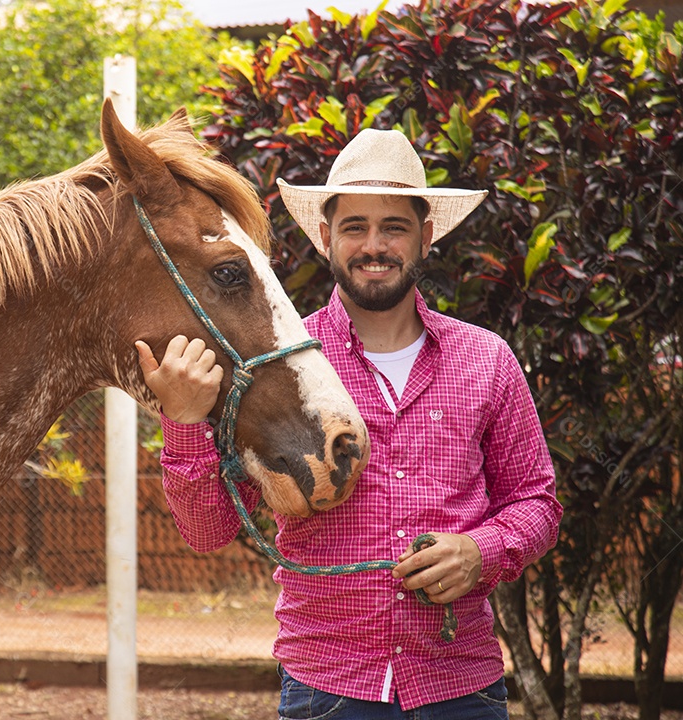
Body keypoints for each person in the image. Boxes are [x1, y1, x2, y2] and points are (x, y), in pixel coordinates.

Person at [134, 128, 562, 718]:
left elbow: (536, 501)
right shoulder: (271, 368)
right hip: (326, 691)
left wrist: (480, 551)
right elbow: (206, 531)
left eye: (395, 226)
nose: (374, 245)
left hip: (460, 689)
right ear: (325, 236)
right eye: (355, 226)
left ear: (426, 237)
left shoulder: (486, 359)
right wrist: (182, 421)